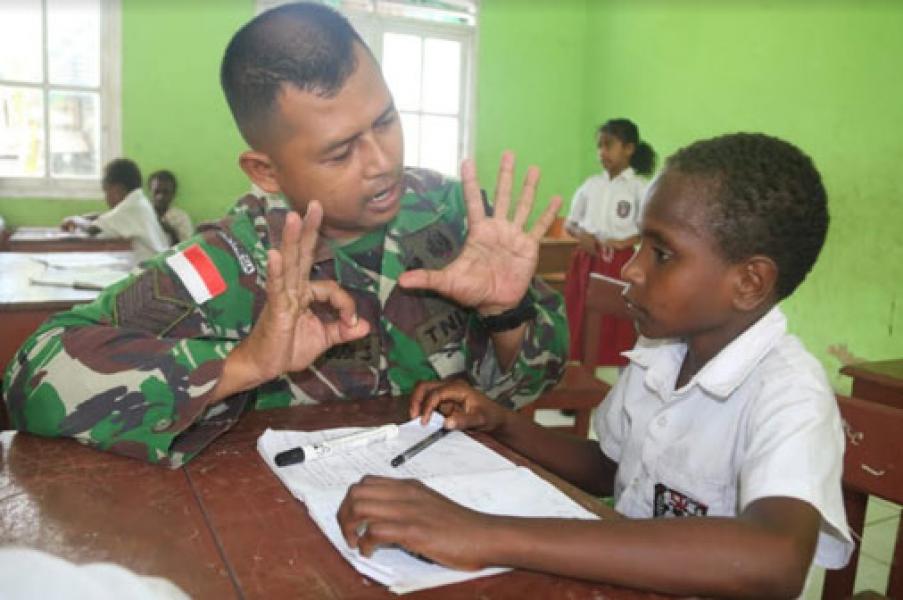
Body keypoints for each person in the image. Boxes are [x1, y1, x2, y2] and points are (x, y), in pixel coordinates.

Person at [2, 3, 567, 467]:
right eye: (341, 151)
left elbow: (541, 382)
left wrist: (507, 315)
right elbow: (33, 376)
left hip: (462, 506)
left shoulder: (453, 215)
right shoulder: (231, 263)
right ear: (266, 171)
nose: (382, 162)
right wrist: (245, 363)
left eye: (387, 121)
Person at [337, 133, 854, 598]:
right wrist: (504, 422)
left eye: (662, 254)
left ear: (749, 283)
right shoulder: (663, 353)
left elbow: (774, 560)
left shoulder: (791, 395)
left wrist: (484, 532)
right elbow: (611, 467)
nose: (631, 268)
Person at [564, 119, 655, 367]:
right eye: (599, 146)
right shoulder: (591, 185)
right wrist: (581, 236)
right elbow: (570, 223)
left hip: (621, 263)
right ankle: (581, 377)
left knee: (618, 323)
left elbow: (651, 230)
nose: (602, 152)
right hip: (587, 260)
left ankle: (619, 381)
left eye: (609, 145)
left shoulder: (639, 188)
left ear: (628, 148)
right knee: (581, 317)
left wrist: (628, 240)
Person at [61, 158, 170, 262]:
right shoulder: (138, 200)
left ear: (117, 190)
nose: (105, 197)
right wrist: (88, 217)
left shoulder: (130, 207)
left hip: (151, 273)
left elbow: (93, 230)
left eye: (106, 191)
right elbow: (111, 217)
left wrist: (75, 220)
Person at [148, 170, 195, 244]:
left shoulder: (181, 218)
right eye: (156, 192)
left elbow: (186, 248)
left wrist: (171, 232)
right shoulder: (140, 214)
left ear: (173, 194)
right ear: (150, 191)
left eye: (165, 192)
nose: (160, 197)